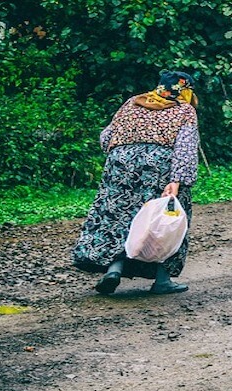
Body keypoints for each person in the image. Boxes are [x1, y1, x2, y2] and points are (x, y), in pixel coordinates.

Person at [72, 70, 200, 295]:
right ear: (184, 90)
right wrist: (177, 180)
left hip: (120, 165)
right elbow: (185, 148)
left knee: (120, 216)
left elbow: (106, 138)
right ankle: (162, 280)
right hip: (159, 167)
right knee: (163, 221)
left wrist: (126, 153)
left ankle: (114, 269)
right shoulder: (184, 110)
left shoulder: (133, 102)